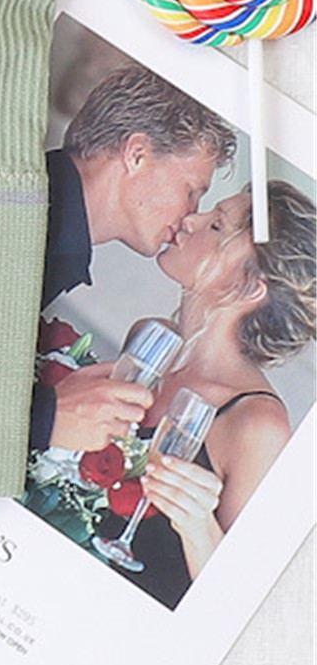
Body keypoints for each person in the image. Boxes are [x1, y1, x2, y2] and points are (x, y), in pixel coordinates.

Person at [115, 179, 316, 608]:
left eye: (216, 225)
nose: (191, 218)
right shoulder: (150, 338)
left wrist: (196, 524)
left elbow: (234, 600)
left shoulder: (255, 422)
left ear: (249, 286)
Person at [30, 66, 236, 453]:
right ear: (137, 154)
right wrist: (47, 418)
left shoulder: (48, 217)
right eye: (192, 191)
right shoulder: (24, 218)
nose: (191, 215)